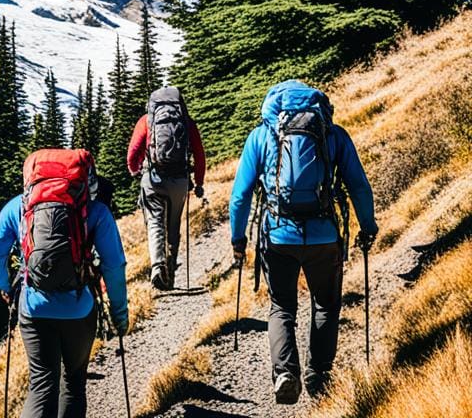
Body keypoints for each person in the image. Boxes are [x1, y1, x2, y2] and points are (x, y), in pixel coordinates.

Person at [229, 80, 378, 404]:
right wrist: (368, 227)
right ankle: (318, 375)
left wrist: (238, 239)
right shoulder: (333, 135)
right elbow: (359, 186)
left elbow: (240, 196)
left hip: (278, 236)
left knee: (282, 306)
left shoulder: (261, 136)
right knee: (325, 305)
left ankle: (285, 372)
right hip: (324, 237)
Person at [0, 149, 128, 418]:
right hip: (80, 309)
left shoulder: (19, 207)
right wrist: (120, 315)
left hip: (34, 308)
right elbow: (114, 266)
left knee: (41, 384)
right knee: (73, 385)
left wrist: (8, 287)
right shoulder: (95, 211)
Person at [127, 86, 206, 290]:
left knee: (154, 222)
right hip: (179, 181)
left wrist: (135, 170)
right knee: (173, 225)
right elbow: (199, 155)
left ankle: (157, 266)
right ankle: (170, 271)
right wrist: (198, 183)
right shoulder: (186, 122)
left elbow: (133, 153)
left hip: (153, 178)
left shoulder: (146, 121)